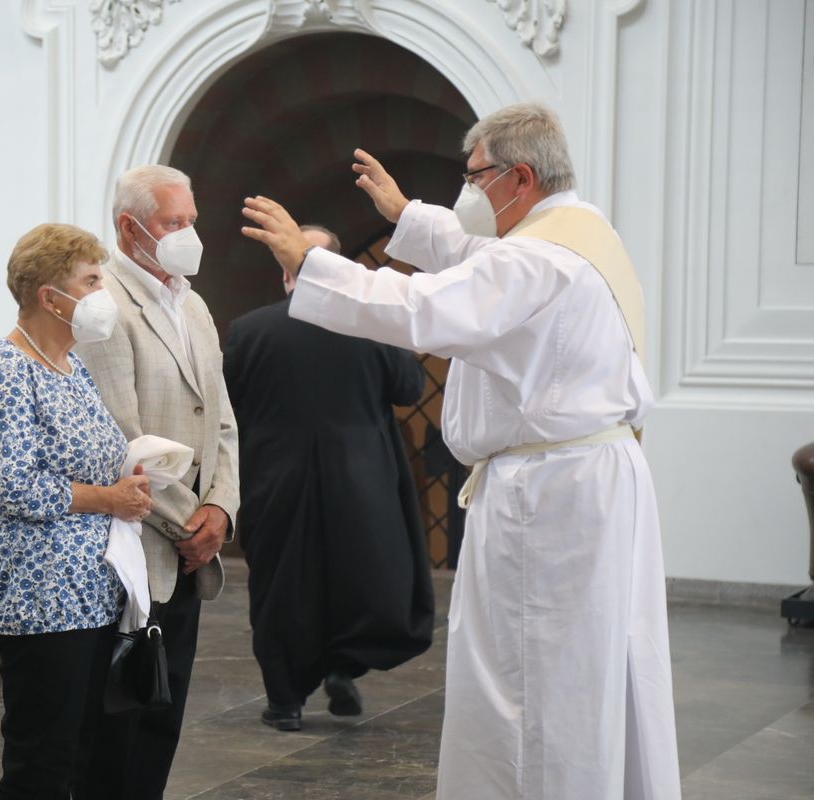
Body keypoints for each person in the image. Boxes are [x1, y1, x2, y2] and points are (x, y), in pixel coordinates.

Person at [240, 102, 682, 800]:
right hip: (589, 479)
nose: (466, 191)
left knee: (534, 677)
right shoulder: (580, 231)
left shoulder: (540, 259)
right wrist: (408, 217)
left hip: (551, 497)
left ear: (520, 177)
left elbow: (428, 308)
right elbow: (483, 258)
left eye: (474, 177)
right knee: (589, 664)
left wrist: (313, 263)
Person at [0, 223, 154, 800]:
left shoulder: (74, 369)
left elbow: (93, 462)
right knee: (41, 762)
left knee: (85, 755)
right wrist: (107, 498)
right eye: (91, 281)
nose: (104, 294)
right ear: (51, 297)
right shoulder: (4, 370)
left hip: (91, 591)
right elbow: (12, 483)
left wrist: (132, 479)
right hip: (38, 594)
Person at [222, 224, 435, 732]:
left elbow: (226, 407)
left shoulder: (249, 330)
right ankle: (343, 665)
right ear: (341, 269)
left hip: (273, 478)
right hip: (361, 478)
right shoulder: (371, 327)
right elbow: (408, 388)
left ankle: (285, 701)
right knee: (359, 577)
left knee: (282, 585)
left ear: (284, 270)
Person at [74, 165, 240, 799]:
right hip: (138, 548)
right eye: (175, 224)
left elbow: (221, 418)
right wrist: (185, 525)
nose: (189, 235)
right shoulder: (106, 305)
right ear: (129, 227)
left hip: (192, 543)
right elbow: (124, 436)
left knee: (163, 722)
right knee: (117, 725)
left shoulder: (192, 301)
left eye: (191, 221)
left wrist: (220, 509)